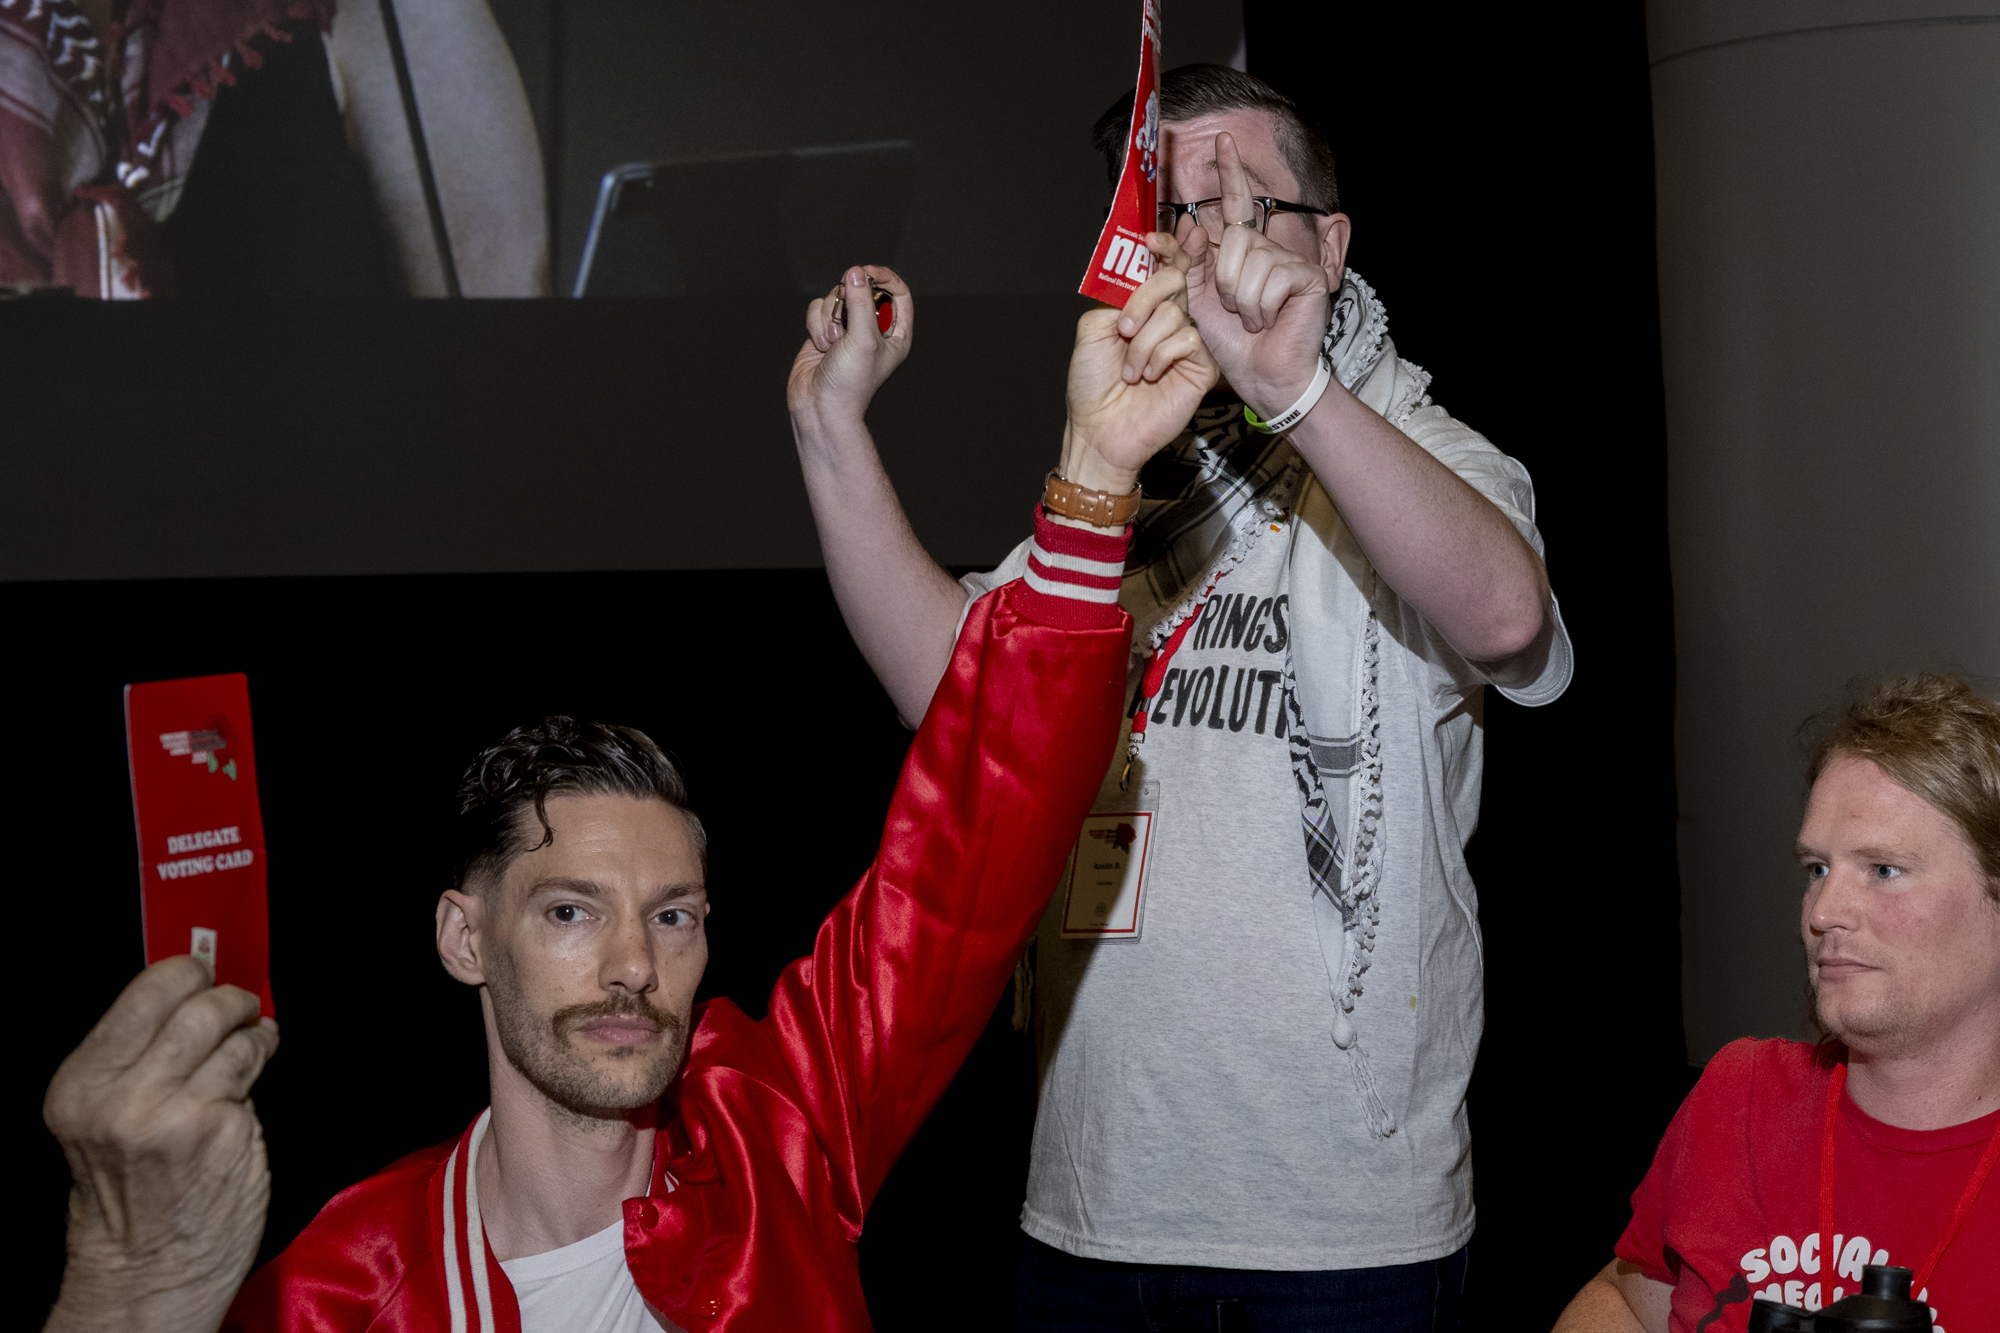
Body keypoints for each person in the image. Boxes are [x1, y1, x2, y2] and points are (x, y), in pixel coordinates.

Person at [40, 248, 1217, 1331]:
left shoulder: (775, 1143)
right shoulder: (340, 1289)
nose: (630, 967)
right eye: (568, 910)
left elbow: (970, 850)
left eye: (673, 915)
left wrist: (1095, 472)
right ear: (463, 935)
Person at [789, 63, 1572, 1325]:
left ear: (1329, 241)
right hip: (1095, 1202)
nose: (1200, 242)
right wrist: (832, 432)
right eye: (1170, 213)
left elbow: (1508, 618)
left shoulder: (1422, 445)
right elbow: (957, 693)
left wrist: (1296, 394)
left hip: (1343, 1228)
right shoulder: (1126, 485)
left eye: (1238, 202)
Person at [1553, 674, 2000, 1333]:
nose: (1823, 912)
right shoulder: (1741, 1095)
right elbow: (1625, 1300)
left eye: (1883, 869)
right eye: (1816, 868)